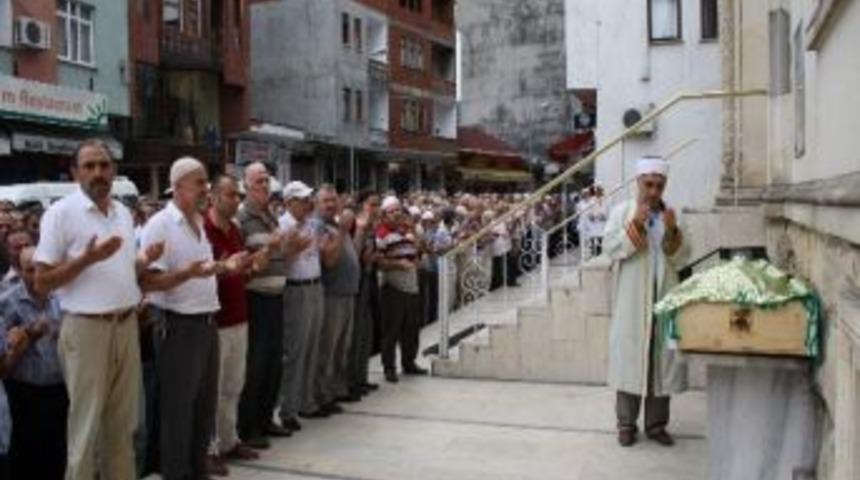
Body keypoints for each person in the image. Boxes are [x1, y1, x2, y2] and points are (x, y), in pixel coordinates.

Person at [34, 139, 162, 480]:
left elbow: (120, 270)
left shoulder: (122, 213)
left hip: (125, 326)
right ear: (75, 173)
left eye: (104, 165)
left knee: (122, 429)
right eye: (89, 166)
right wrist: (86, 259)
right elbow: (41, 282)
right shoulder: (60, 214)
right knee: (85, 432)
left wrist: (143, 261)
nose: (98, 173)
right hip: (86, 330)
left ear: (114, 170)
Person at [140, 157, 247, 480]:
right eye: (200, 182)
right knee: (178, 410)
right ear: (178, 185)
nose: (206, 189)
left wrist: (225, 266)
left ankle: (197, 471)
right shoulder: (160, 224)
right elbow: (148, 282)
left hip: (206, 323)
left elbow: (202, 271)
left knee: (203, 408)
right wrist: (185, 274)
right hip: (177, 326)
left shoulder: (198, 222)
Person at [602, 156, 691, 448]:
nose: (653, 191)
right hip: (631, 300)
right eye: (649, 184)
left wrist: (673, 231)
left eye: (659, 186)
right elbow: (611, 248)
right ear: (638, 182)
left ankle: (656, 425)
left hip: (664, 296)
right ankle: (626, 424)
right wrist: (636, 225)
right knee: (630, 360)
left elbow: (683, 257)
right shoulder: (621, 212)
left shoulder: (673, 215)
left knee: (660, 361)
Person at [204, 175, 263, 475]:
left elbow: (239, 271)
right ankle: (209, 448)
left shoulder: (235, 230)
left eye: (238, 195)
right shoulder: (204, 229)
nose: (236, 200)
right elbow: (202, 274)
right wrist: (227, 268)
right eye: (230, 195)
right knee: (212, 389)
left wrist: (249, 266)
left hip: (240, 316)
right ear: (214, 196)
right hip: (217, 320)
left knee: (233, 385)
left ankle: (229, 440)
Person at [236, 163, 294, 445]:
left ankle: (266, 419)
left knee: (273, 363)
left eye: (266, 181)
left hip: (276, 296)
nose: (264, 186)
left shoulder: (271, 216)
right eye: (258, 181)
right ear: (246, 185)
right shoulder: (241, 218)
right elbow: (244, 263)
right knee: (256, 366)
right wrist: (270, 247)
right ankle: (249, 428)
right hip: (256, 297)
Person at [0, 246, 67, 479]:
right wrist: (28, 335)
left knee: (57, 456)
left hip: (57, 390)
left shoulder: (61, 298)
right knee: (26, 458)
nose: (37, 275)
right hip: (23, 392)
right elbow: (5, 356)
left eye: (41, 269)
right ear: (19, 271)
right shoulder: (7, 303)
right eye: (30, 270)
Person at [278, 181, 339, 421]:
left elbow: (321, 255)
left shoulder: (310, 224)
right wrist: (293, 248)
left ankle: (306, 401)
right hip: (296, 289)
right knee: (296, 351)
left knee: (312, 348)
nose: (308, 204)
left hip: (315, 286)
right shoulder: (283, 225)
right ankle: (288, 408)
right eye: (303, 200)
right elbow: (280, 263)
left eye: (308, 199)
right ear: (289, 202)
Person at [375, 196, 427, 383]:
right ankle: (389, 367)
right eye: (392, 211)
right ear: (384, 215)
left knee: (411, 330)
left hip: (411, 287)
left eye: (399, 210)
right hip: (393, 287)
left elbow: (417, 252)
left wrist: (414, 233)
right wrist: (398, 264)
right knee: (391, 330)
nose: (397, 214)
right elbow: (379, 262)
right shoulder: (381, 234)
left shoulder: (406, 232)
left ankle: (409, 362)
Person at [315, 186, 358, 406]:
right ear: (316, 204)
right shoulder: (320, 226)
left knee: (342, 347)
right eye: (326, 201)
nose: (331, 204)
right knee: (328, 349)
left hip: (347, 293)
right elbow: (329, 261)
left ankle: (337, 389)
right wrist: (342, 231)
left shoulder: (335, 225)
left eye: (333, 200)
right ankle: (323, 394)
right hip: (332, 295)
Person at [347, 190, 381, 398]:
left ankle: (362, 377)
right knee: (356, 334)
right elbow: (353, 254)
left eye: (378, 205)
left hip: (368, 281)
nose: (376, 209)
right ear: (362, 205)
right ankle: (351, 381)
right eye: (372, 204)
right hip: (356, 285)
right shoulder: (356, 225)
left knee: (366, 333)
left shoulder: (371, 228)